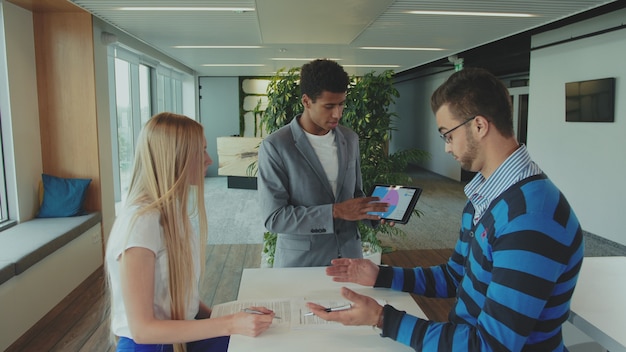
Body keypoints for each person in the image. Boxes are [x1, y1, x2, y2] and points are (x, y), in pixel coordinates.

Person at [306, 67, 584, 351]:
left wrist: (382, 318)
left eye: (447, 136)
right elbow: (456, 276)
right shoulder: (485, 195)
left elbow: (491, 346)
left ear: (479, 126)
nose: (447, 149)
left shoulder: (530, 218)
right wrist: (380, 275)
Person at [105, 112, 275, 352]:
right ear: (174, 158)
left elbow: (181, 298)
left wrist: (230, 315)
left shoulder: (172, 211)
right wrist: (229, 324)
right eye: (200, 151)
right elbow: (143, 331)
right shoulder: (141, 223)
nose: (209, 160)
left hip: (178, 336)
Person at [257, 58, 389, 268]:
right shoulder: (276, 146)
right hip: (302, 264)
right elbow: (275, 218)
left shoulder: (350, 139)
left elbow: (355, 194)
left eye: (341, 104)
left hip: (350, 258)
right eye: (329, 106)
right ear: (306, 101)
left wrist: (372, 213)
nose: (338, 113)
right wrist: (334, 211)